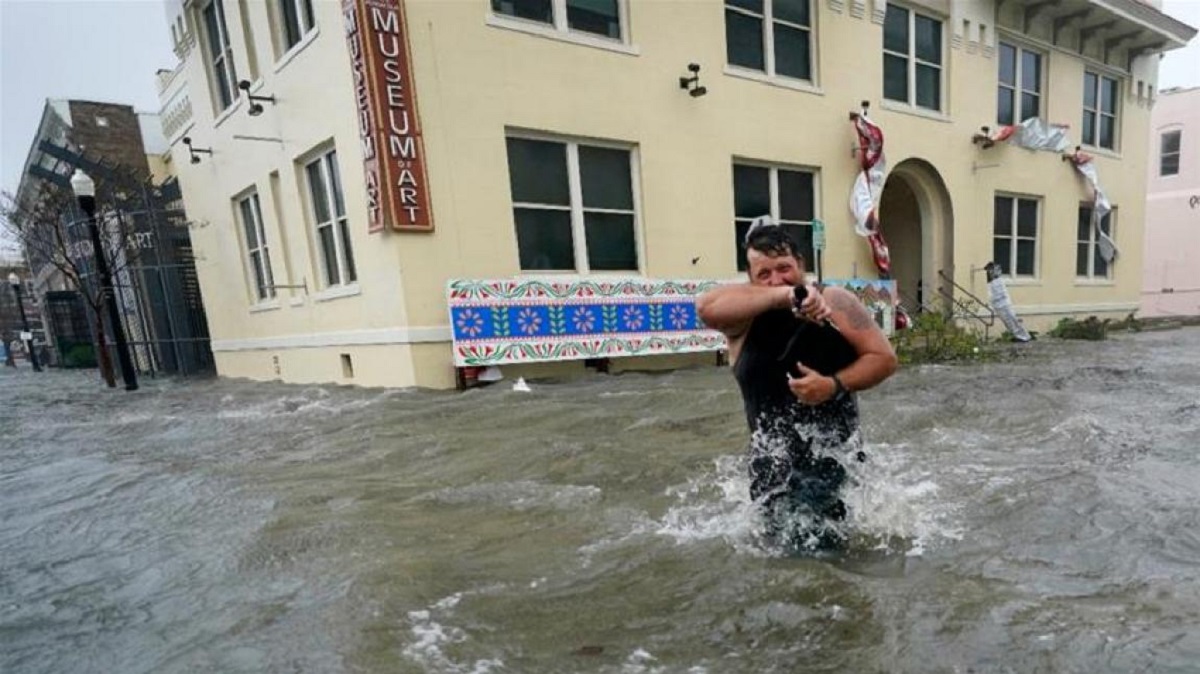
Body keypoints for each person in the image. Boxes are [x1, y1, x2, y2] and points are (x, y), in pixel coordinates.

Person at [697, 221, 898, 551]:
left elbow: (884, 358)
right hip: (771, 471)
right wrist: (785, 296)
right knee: (777, 565)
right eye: (765, 274)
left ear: (801, 265)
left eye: (785, 269)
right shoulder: (741, 320)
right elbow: (705, 307)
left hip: (835, 462)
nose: (776, 278)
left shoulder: (836, 302)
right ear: (751, 279)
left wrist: (833, 385)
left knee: (832, 563)